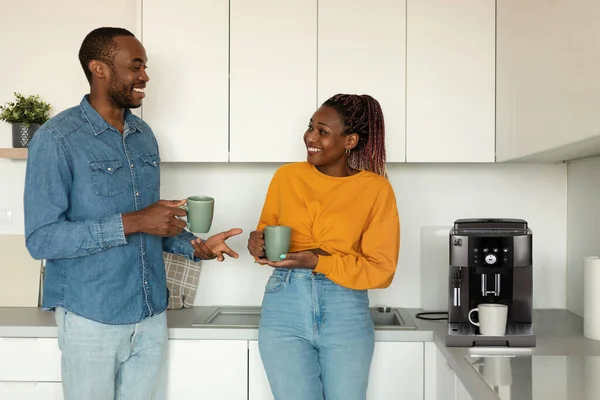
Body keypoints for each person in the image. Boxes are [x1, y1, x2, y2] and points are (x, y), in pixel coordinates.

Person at [23, 27, 241, 400]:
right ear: (99, 69)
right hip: (91, 318)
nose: (145, 77)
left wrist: (196, 246)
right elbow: (41, 238)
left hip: (150, 314)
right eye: (135, 66)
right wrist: (133, 222)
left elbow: (154, 221)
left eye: (145, 66)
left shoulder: (143, 135)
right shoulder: (57, 139)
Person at [247, 93, 400, 400]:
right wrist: (257, 244)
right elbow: (266, 236)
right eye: (310, 127)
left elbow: (381, 270)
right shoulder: (286, 177)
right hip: (284, 305)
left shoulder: (376, 189)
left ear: (350, 140)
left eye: (323, 131)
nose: (310, 137)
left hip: (345, 309)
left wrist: (318, 262)